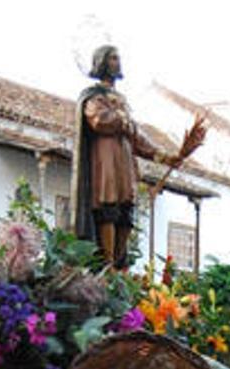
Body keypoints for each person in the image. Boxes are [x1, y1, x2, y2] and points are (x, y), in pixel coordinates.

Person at [72, 45, 201, 268]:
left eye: (118, 58)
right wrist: (122, 119)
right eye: (112, 58)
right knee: (108, 209)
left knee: (125, 213)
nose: (117, 62)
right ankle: (107, 263)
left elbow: (137, 136)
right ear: (101, 62)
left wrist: (164, 156)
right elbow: (100, 121)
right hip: (106, 159)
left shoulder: (121, 100)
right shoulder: (93, 97)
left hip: (125, 162)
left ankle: (120, 263)